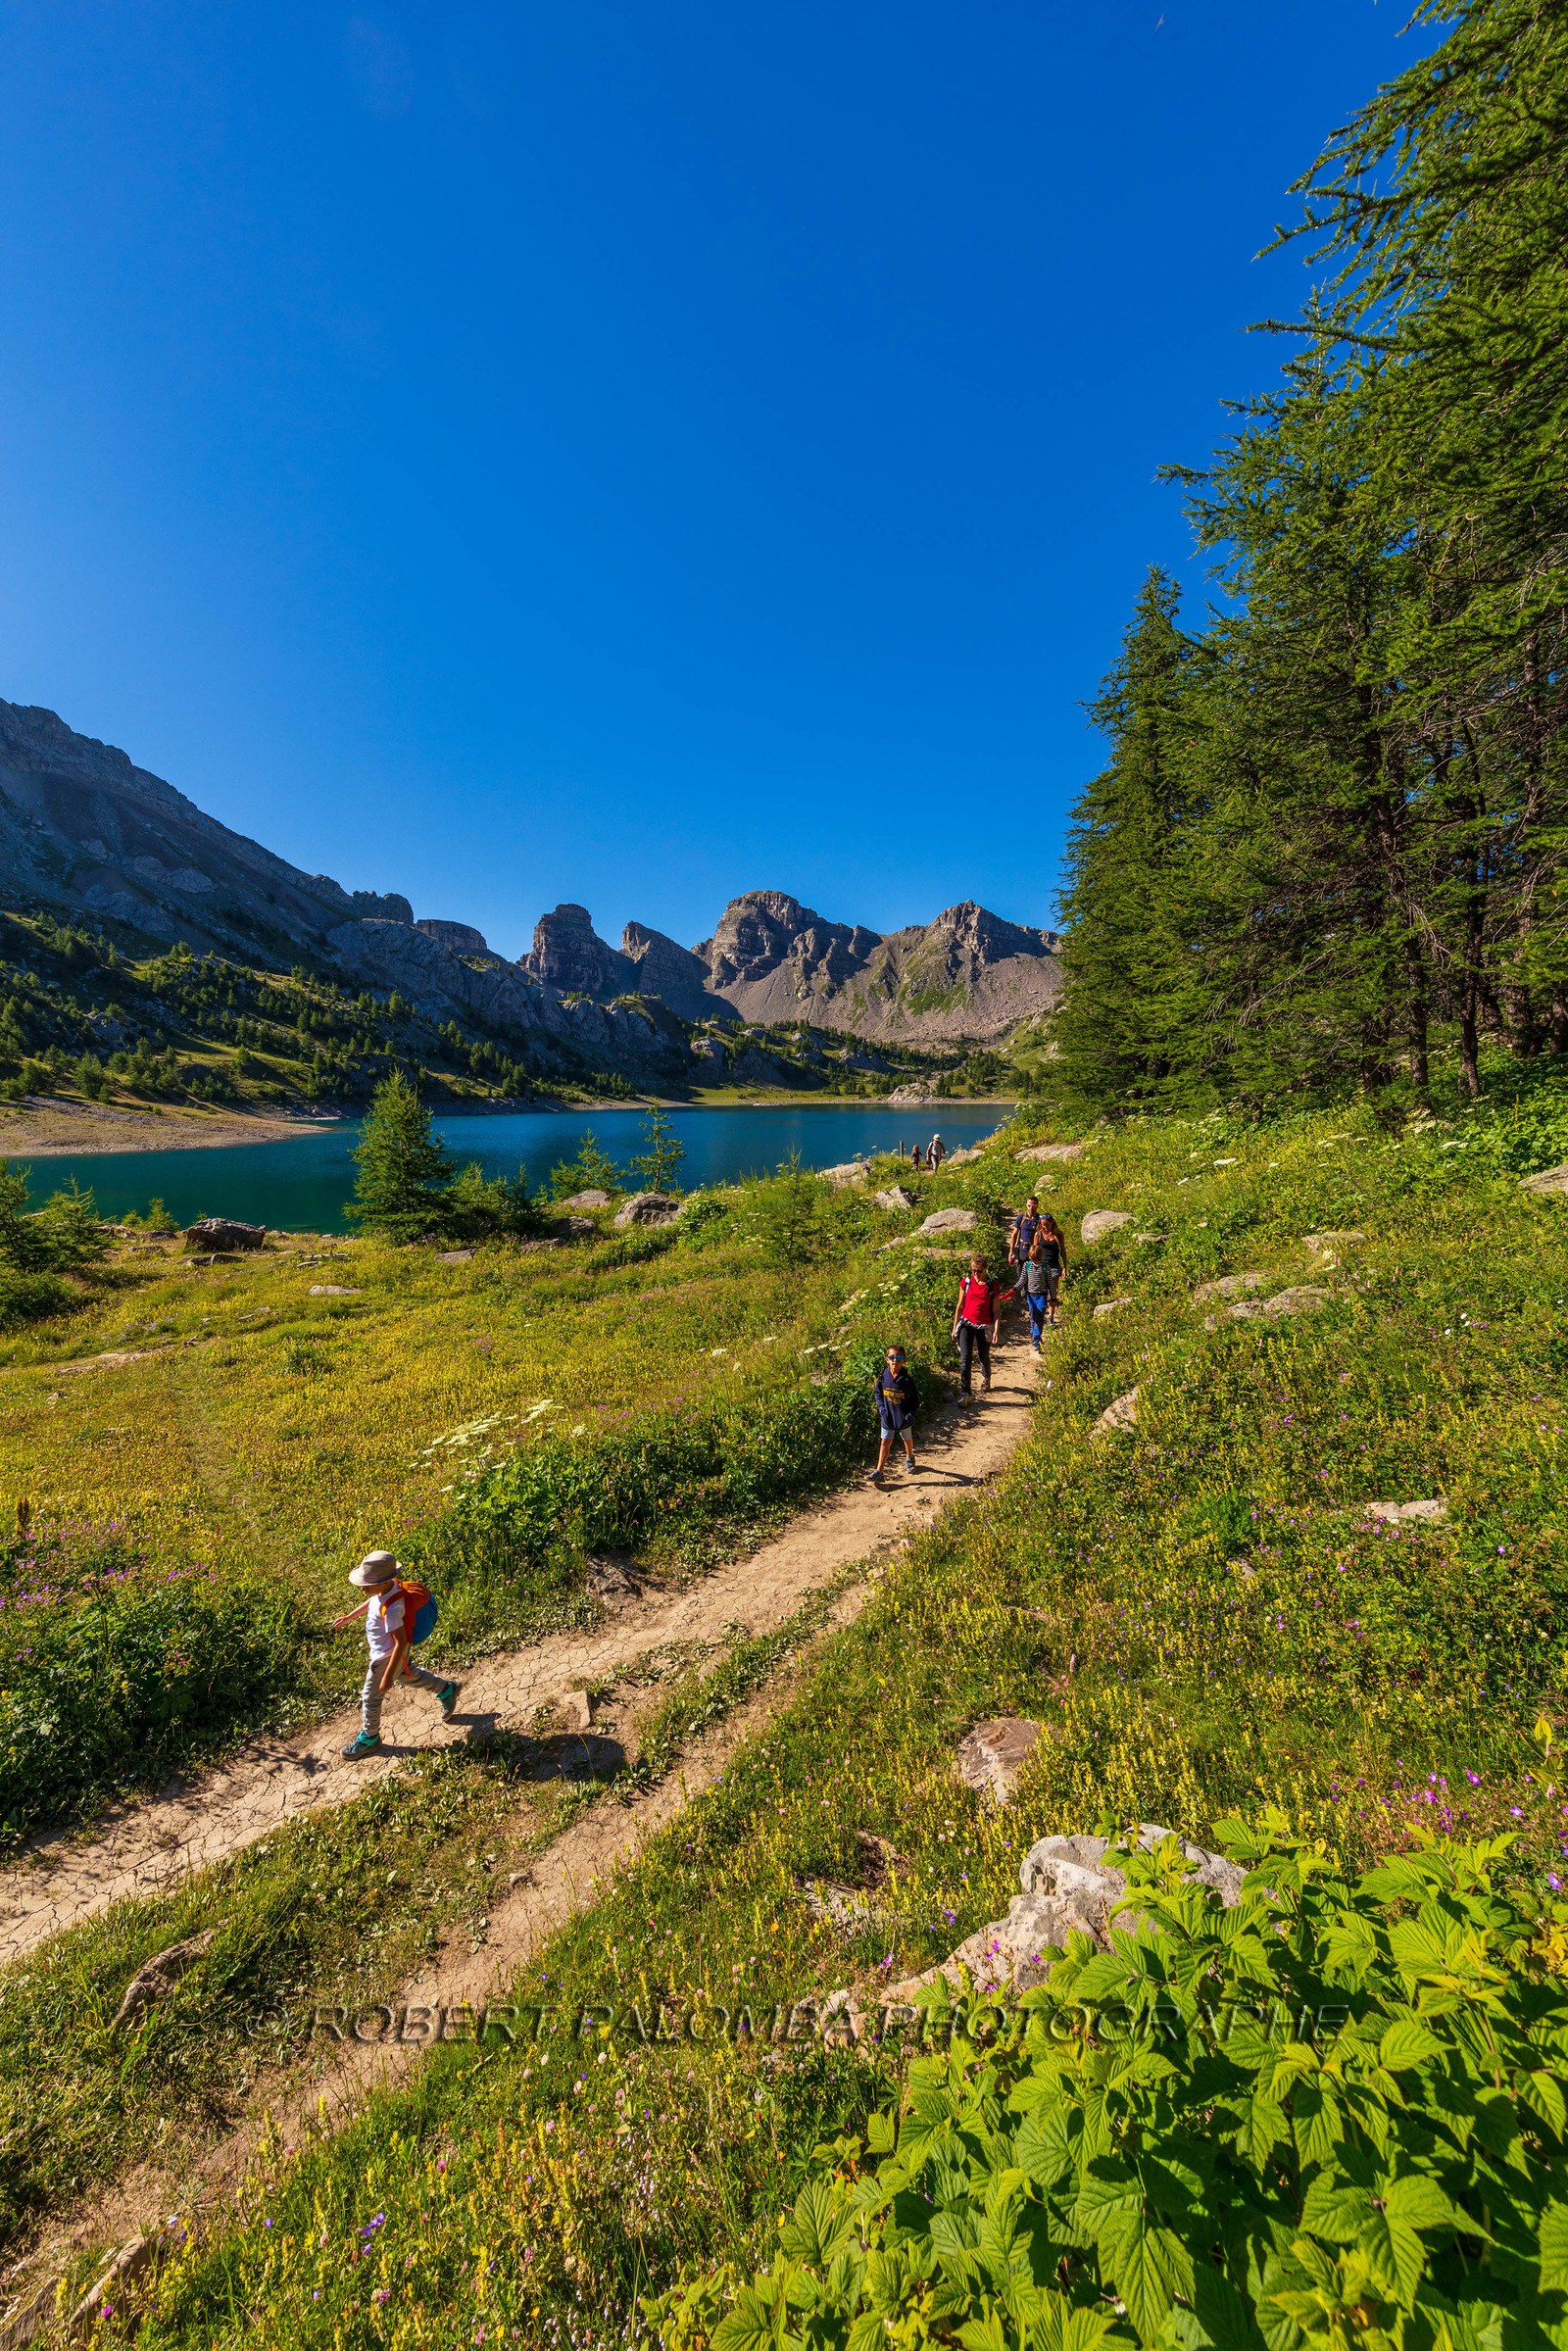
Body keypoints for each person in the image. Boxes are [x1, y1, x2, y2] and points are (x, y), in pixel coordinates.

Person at [333, 1549, 460, 1760]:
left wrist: (387, 1674)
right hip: (389, 1654)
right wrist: (349, 1616)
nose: (362, 1588)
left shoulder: (393, 1608)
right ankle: (446, 1689)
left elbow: (402, 1642)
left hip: (385, 1657)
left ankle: (370, 1737)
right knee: (409, 1675)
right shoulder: (389, 1588)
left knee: (371, 1698)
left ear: (383, 1582)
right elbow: (372, 1603)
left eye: (367, 1584)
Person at [952, 1251, 1001, 1399]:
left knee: (983, 1356)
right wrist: (954, 1328)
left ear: (985, 1268)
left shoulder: (992, 1286)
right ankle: (966, 1393)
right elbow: (960, 1306)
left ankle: (986, 1377)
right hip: (966, 1323)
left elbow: (996, 1310)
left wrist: (996, 1330)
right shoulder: (966, 1283)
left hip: (984, 1326)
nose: (975, 1273)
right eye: (973, 1270)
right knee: (965, 1358)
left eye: (979, 1271)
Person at [868, 1344, 919, 1480]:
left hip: (903, 1417)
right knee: (885, 1442)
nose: (895, 1360)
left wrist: (909, 1415)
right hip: (888, 1416)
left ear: (904, 1360)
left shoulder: (907, 1380)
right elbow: (878, 1392)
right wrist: (882, 1409)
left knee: (906, 1438)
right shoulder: (883, 1376)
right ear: (886, 1359)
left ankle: (910, 1457)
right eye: (892, 1357)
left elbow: (915, 1401)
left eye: (898, 1357)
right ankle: (879, 1471)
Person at [1019, 1235, 1053, 1352]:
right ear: (1029, 1257)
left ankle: (1036, 1339)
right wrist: (1014, 1289)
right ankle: (1034, 1333)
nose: (1036, 1261)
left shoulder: (1045, 1267)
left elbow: (1050, 1283)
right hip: (1031, 1296)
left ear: (1041, 1257)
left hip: (1042, 1295)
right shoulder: (1027, 1266)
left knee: (1039, 1316)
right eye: (1034, 1259)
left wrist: (1053, 1296)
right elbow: (1022, 1280)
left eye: (1038, 1259)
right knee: (1033, 1316)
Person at [1040, 1212, 1067, 1325]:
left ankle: (1050, 1316)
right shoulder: (1038, 1235)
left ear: (1052, 1223)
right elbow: (1034, 1251)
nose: (1044, 1227)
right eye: (1042, 1225)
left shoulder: (1058, 1235)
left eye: (1046, 1225)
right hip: (1041, 1267)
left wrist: (1065, 1267)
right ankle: (1040, 1313)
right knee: (1041, 1291)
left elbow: (1063, 1251)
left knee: (1053, 1292)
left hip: (1055, 1267)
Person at [1009, 1194, 1042, 1271]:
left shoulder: (1040, 1220)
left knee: (1033, 1271)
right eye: (1029, 1205)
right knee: (1021, 1270)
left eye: (1033, 1206)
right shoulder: (1021, 1218)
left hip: (1034, 1249)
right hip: (1023, 1248)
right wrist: (1011, 1250)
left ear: (1037, 1206)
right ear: (1026, 1205)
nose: (1030, 1208)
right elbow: (1014, 1234)